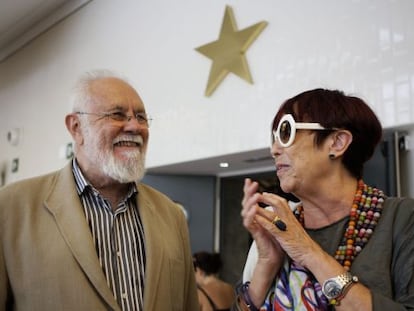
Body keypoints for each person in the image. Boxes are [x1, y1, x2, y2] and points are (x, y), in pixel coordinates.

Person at [0, 69, 200, 311]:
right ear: (76, 127)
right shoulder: (12, 207)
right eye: (117, 115)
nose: (135, 126)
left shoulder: (171, 215)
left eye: (141, 116)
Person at [234, 88, 414, 310]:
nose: (274, 149)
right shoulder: (279, 227)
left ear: (337, 142)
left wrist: (308, 252)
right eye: (275, 137)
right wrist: (266, 263)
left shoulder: (401, 218)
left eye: (286, 132)